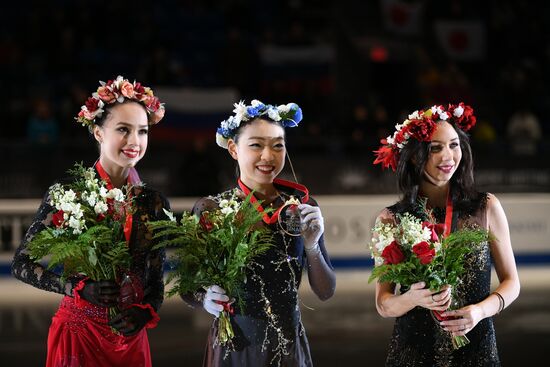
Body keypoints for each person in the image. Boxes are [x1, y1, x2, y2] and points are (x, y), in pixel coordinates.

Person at [12, 75, 170, 367]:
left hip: (130, 341)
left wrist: (144, 312)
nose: (135, 141)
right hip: (79, 336)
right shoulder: (68, 194)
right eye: (123, 129)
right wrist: (76, 287)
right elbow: (21, 265)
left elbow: (155, 282)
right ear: (98, 132)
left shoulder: (154, 202)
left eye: (142, 131)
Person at [183, 100, 336, 366]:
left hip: (288, 346)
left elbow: (325, 291)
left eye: (278, 145)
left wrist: (311, 245)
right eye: (256, 145)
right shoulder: (213, 209)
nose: (268, 156)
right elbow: (188, 286)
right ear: (233, 149)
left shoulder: (302, 207)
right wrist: (205, 298)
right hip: (235, 348)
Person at [372, 103, 520, 366]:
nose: (448, 156)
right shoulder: (391, 218)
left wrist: (479, 311)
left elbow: (512, 283)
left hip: (477, 351)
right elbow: (383, 304)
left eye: (454, 145)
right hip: (413, 353)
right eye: (435, 148)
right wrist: (412, 298)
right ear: (416, 156)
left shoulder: (486, 207)